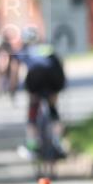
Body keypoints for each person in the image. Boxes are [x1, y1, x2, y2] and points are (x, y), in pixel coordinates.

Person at [13, 27, 67, 161]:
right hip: (54, 77)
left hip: (35, 78)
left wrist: (14, 88)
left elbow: (16, 70)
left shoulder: (24, 51)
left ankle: (32, 146)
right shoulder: (48, 48)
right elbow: (60, 64)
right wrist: (58, 89)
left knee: (33, 110)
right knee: (54, 111)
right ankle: (58, 143)